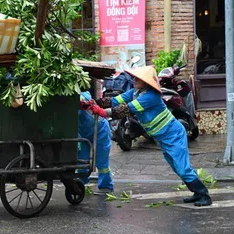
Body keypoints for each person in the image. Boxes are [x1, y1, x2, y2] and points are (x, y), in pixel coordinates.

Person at [86, 66, 212, 206]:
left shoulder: (151, 96)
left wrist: (103, 112)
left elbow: (127, 109)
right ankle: (196, 192)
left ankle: (204, 195)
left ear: (146, 82)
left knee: (182, 167)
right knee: (177, 167)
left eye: (137, 78)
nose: (134, 80)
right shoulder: (136, 92)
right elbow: (116, 100)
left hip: (173, 135)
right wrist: (95, 102)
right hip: (164, 138)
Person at [78, 91, 114, 195]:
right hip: (84, 134)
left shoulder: (83, 95)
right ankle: (80, 184)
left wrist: (83, 102)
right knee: (81, 160)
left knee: (101, 162)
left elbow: (86, 97)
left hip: (100, 131)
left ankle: (106, 187)